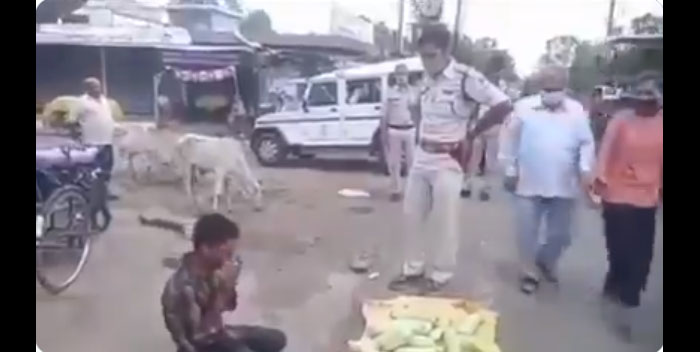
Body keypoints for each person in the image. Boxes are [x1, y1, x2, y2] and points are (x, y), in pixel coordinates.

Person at [389, 24, 513, 292]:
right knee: (412, 215)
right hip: (423, 154)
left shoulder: (465, 78)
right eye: (423, 56)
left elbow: (503, 104)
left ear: (446, 52)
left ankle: (440, 274)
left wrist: (473, 132)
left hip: (449, 157)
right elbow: (419, 109)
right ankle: (413, 269)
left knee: (444, 220)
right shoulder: (424, 78)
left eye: (432, 55)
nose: (427, 61)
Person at [499, 65, 595, 295]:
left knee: (562, 233)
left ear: (565, 87)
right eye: (548, 87)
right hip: (527, 181)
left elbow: (586, 142)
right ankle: (528, 272)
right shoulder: (523, 108)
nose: (552, 92)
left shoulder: (576, 110)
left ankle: (545, 260)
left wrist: (585, 168)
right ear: (540, 87)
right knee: (526, 231)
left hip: (564, 183)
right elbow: (508, 140)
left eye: (557, 88)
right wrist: (509, 170)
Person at [592, 78, 663, 340]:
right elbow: (606, 151)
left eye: (651, 98)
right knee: (619, 248)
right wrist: (599, 180)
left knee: (641, 256)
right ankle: (616, 277)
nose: (645, 104)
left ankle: (628, 301)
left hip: (648, 195)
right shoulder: (621, 120)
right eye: (640, 98)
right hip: (617, 192)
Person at [161, 213, 287, 352]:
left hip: (217, 333)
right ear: (205, 248)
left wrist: (229, 285)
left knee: (276, 339)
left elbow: (228, 307)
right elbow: (203, 334)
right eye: (227, 253)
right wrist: (225, 287)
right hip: (200, 345)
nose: (229, 259)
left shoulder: (211, 272)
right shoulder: (184, 288)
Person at [382, 64, 418, 202]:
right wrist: (384, 133)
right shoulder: (389, 93)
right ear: (395, 76)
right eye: (398, 75)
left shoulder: (414, 92)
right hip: (394, 130)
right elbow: (384, 115)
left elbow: (419, 112)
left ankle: (412, 191)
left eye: (403, 74)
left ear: (407, 76)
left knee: (412, 162)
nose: (401, 77)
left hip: (410, 129)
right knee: (394, 163)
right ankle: (396, 190)